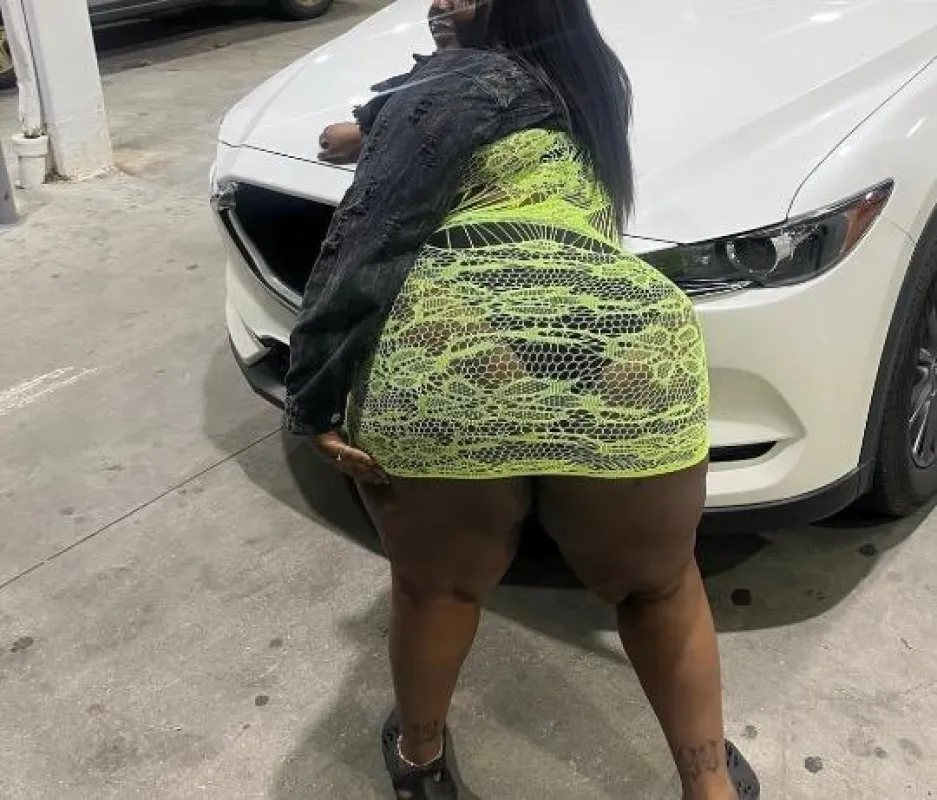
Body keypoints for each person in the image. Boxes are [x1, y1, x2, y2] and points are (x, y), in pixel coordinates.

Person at [285, 1, 760, 798]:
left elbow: (368, 233)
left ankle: (419, 762)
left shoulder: (445, 86)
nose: (440, 2)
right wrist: (371, 125)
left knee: (437, 589)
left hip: (451, 342)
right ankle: (708, 787)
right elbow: (463, 110)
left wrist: (311, 393)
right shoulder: (588, 82)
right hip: (623, 341)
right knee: (658, 588)